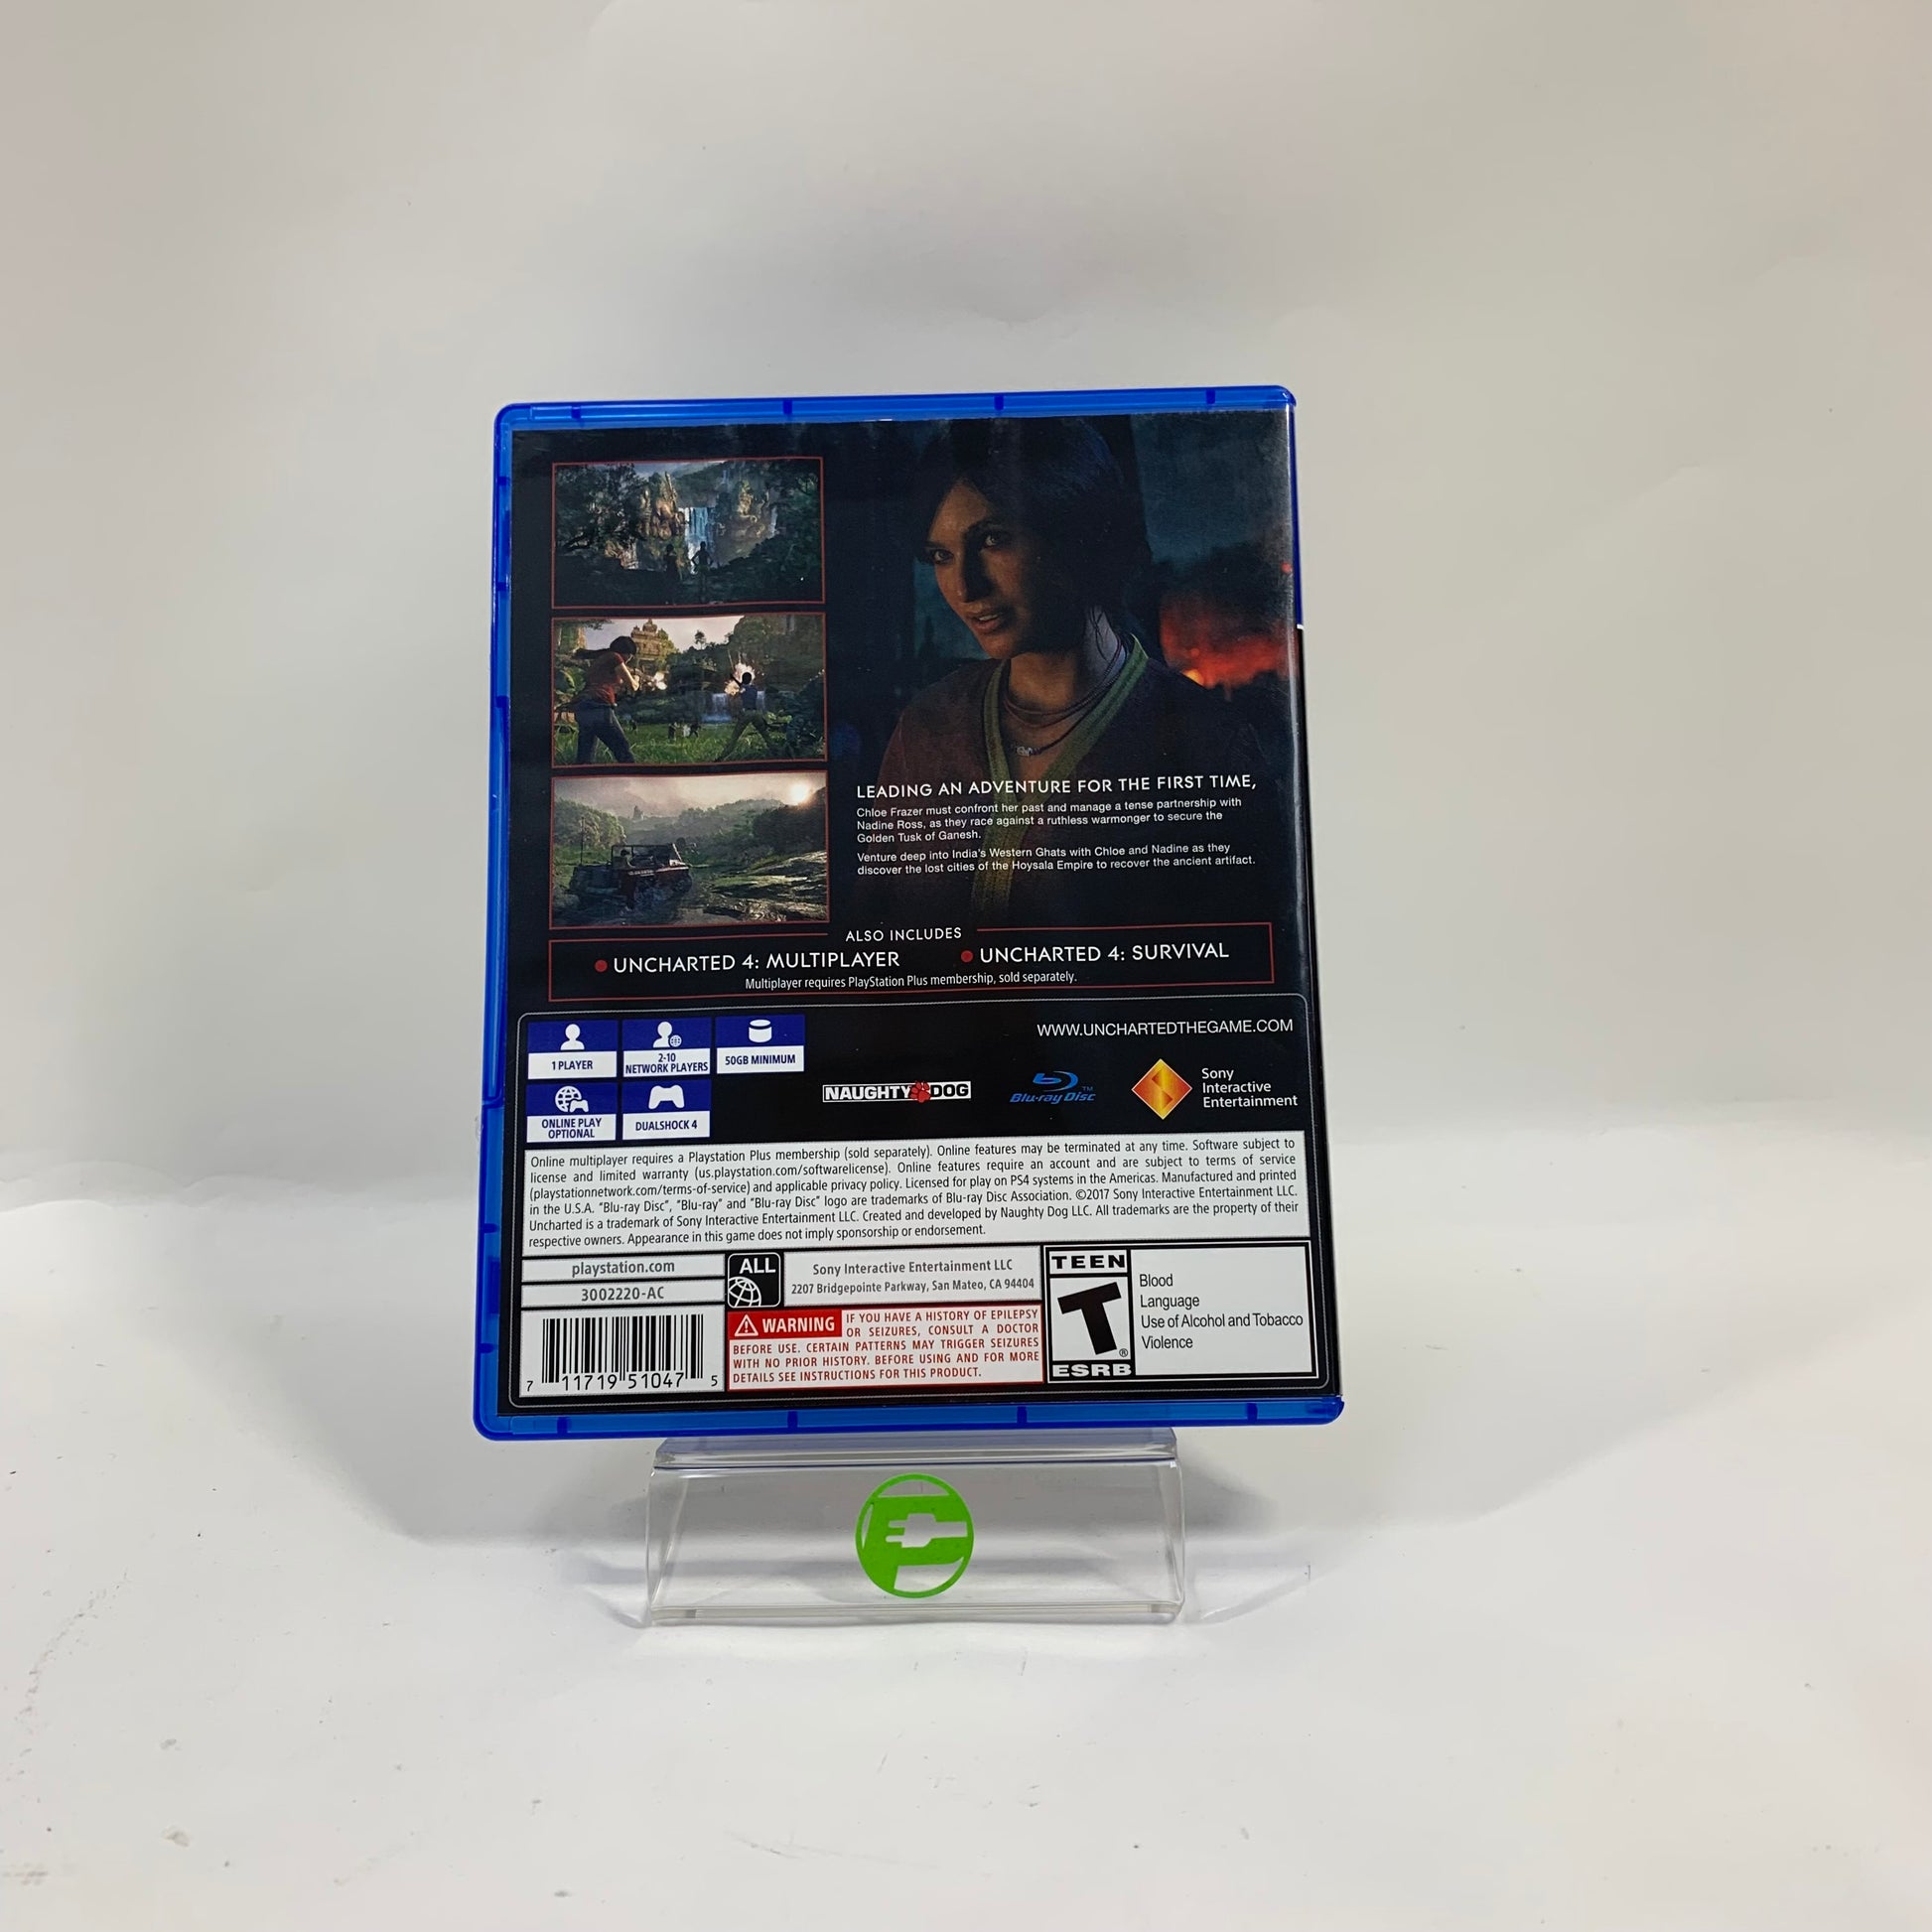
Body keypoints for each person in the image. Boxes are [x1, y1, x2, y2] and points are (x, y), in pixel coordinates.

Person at [875, 419, 1271, 923]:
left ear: (1074, 532)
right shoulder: (929, 726)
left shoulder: (1207, 741)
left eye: (993, 539)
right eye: (941, 556)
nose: (965, 588)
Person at [570, 639, 638, 764]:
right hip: (599, 707)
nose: (630, 659)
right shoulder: (615, 657)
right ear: (626, 652)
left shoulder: (600, 660)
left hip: (583, 708)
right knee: (623, 751)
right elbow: (632, 686)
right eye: (630, 655)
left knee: (585, 758)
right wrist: (637, 680)